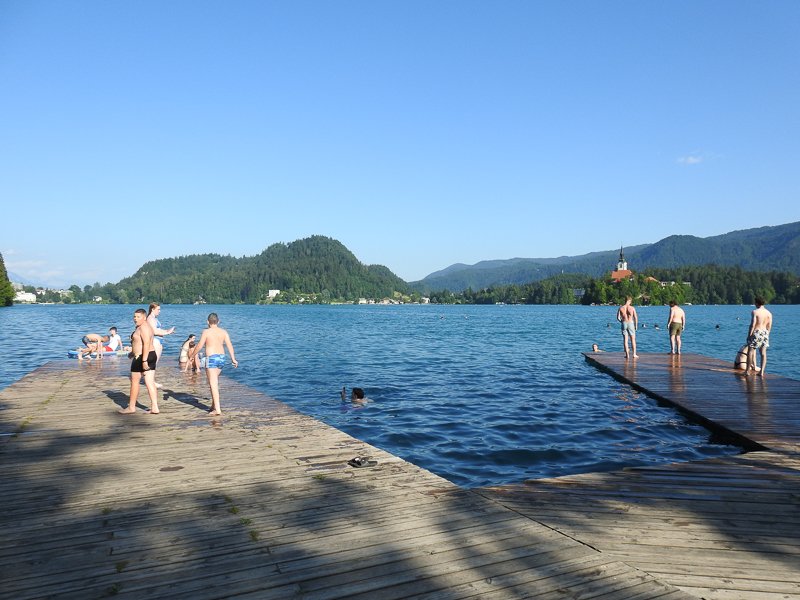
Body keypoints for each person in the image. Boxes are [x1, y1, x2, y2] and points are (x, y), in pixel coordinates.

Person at [190, 313, 238, 415]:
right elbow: (229, 345)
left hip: (212, 358)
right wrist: (233, 359)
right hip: (221, 358)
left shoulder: (206, 332)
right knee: (214, 382)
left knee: (213, 384)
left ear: (208, 322)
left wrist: (192, 356)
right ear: (218, 321)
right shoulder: (224, 332)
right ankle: (213, 406)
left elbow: (199, 345)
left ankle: (217, 410)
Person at [119, 308, 160, 414]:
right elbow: (139, 343)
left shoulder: (144, 327)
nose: (135, 319)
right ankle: (155, 408)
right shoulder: (144, 327)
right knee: (149, 381)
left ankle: (131, 407)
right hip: (149, 355)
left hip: (142, 357)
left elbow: (146, 344)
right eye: (134, 316)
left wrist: (144, 360)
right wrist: (132, 353)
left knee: (135, 381)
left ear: (144, 317)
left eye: (138, 317)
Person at [147, 302, 175, 384]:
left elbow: (158, 329)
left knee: (154, 362)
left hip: (158, 340)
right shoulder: (150, 318)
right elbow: (154, 331)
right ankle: (151, 381)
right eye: (158, 309)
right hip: (155, 341)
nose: (159, 311)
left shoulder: (154, 318)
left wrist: (167, 331)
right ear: (152, 309)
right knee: (153, 362)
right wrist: (167, 332)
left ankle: (150, 380)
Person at [746, 297, 772, 376]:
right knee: (763, 353)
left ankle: (747, 371)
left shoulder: (755, 312)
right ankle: (762, 372)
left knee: (750, 351)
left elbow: (753, 325)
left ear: (757, 303)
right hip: (765, 332)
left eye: (755, 303)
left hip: (757, 332)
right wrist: (767, 334)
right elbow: (769, 326)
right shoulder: (769, 313)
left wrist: (749, 335)